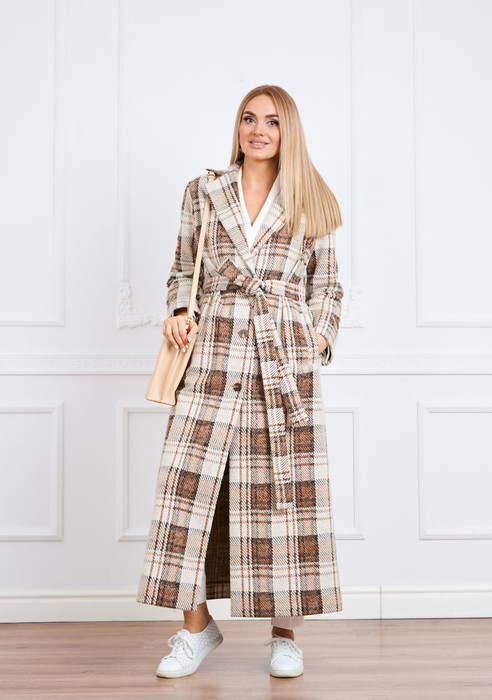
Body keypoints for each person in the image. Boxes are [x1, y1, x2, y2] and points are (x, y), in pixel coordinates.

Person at [136, 84, 344, 679]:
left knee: (284, 497)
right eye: (249, 119)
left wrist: (316, 341)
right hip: (213, 354)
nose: (258, 130)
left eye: (272, 121)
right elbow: (183, 269)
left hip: (283, 360)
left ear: (288, 130)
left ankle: (285, 635)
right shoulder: (204, 192)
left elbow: (328, 286)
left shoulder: (312, 197)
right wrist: (180, 310)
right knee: (188, 492)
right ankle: (196, 629)